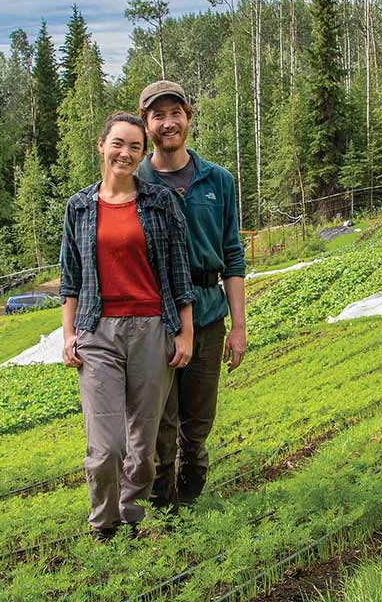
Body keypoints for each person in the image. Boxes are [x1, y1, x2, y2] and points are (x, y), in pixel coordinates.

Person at [59, 111, 196, 541]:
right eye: (118, 143)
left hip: (152, 330)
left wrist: (185, 331)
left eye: (135, 146)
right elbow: (71, 277)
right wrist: (67, 335)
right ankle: (104, 524)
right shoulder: (79, 206)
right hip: (97, 331)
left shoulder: (160, 203)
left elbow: (179, 273)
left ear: (142, 153)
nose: (126, 153)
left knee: (143, 445)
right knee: (106, 447)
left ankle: (130, 516)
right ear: (101, 146)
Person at [135, 80, 247, 507]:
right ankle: (166, 507)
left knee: (197, 426)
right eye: (158, 115)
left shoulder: (217, 180)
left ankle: (192, 500)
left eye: (175, 113)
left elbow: (233, 255)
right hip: (155, 321)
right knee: (160, 427)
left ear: (189, 116)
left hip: (207, 315)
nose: (168, 123)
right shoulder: (136, 183)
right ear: (146, 124)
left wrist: (238, 327)